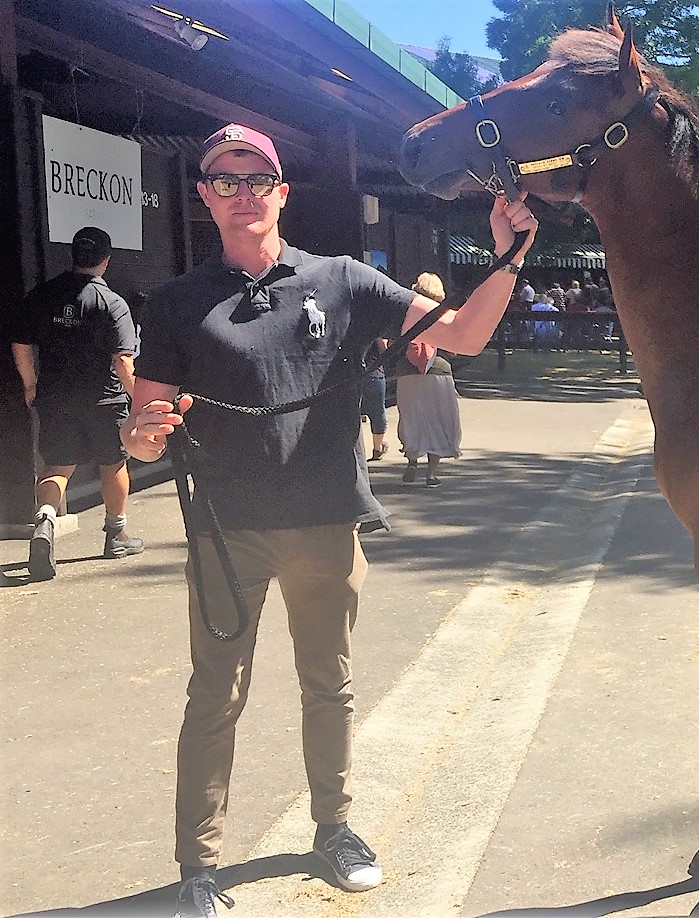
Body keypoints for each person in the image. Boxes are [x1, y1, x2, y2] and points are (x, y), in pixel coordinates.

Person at [119, 123, 536, 918]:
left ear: (281, 192)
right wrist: (139, 437)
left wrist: (508, 258)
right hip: (226, 532)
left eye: (257, 180)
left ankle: (334, 829)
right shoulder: (174, 303)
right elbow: (144, 426)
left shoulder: (342, 280)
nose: (243, 194)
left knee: (330, 687)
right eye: (225, 180)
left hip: (325, 524)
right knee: (215, 696)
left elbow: (464, 334)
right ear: (204, 195)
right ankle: (197, 866)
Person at [9, 225, 143, 580]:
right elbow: (123, 360)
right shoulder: (113, 303)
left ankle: (45, 523)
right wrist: (141, 401)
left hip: (55, 398)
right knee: (113, 463)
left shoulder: (42, 295)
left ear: (73, 257)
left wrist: (31, 385)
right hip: (105, 399)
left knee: (57, 467)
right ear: (106, 260)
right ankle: (117, 535)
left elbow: (20, 343)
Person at [397, 273, 463, 487]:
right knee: (438, 421)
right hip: (438, 373)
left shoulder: (404, 312)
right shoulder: (445, 314)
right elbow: (454, 349)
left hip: (407, 372)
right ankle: (431, 474)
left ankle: (412, 462)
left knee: (411, 419)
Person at [360, 334, 389, 461]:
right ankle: (377, 448)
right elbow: (384, 350)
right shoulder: (376, 331)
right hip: (374, 373)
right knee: (378, 412)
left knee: (353, 411)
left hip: (354, 375)